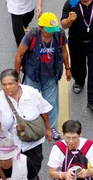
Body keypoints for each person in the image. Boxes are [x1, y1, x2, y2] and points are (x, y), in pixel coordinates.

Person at [14, 12, 71, 140]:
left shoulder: (60, 34)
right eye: (48, 30)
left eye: (53, 29)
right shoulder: (32, 36)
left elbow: (64, 51)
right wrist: (16, 75)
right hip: (33, 75)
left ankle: (51, 127)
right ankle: (29, 125)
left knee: (50, 103)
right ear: (41, 27)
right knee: (29, 101)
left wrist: (68, 68)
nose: (52, 32)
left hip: (51, 75)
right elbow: (19, 55)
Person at [0, 68, 53, 174]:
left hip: (33, 139)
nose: (7, 87)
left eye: (10, 83)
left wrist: (48, 129)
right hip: (11, 142)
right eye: (4, 84)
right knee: (14, 168)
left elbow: (44, 111)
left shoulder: (32, 93)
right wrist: (1, 145)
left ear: (18, 82)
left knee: (35, 164)